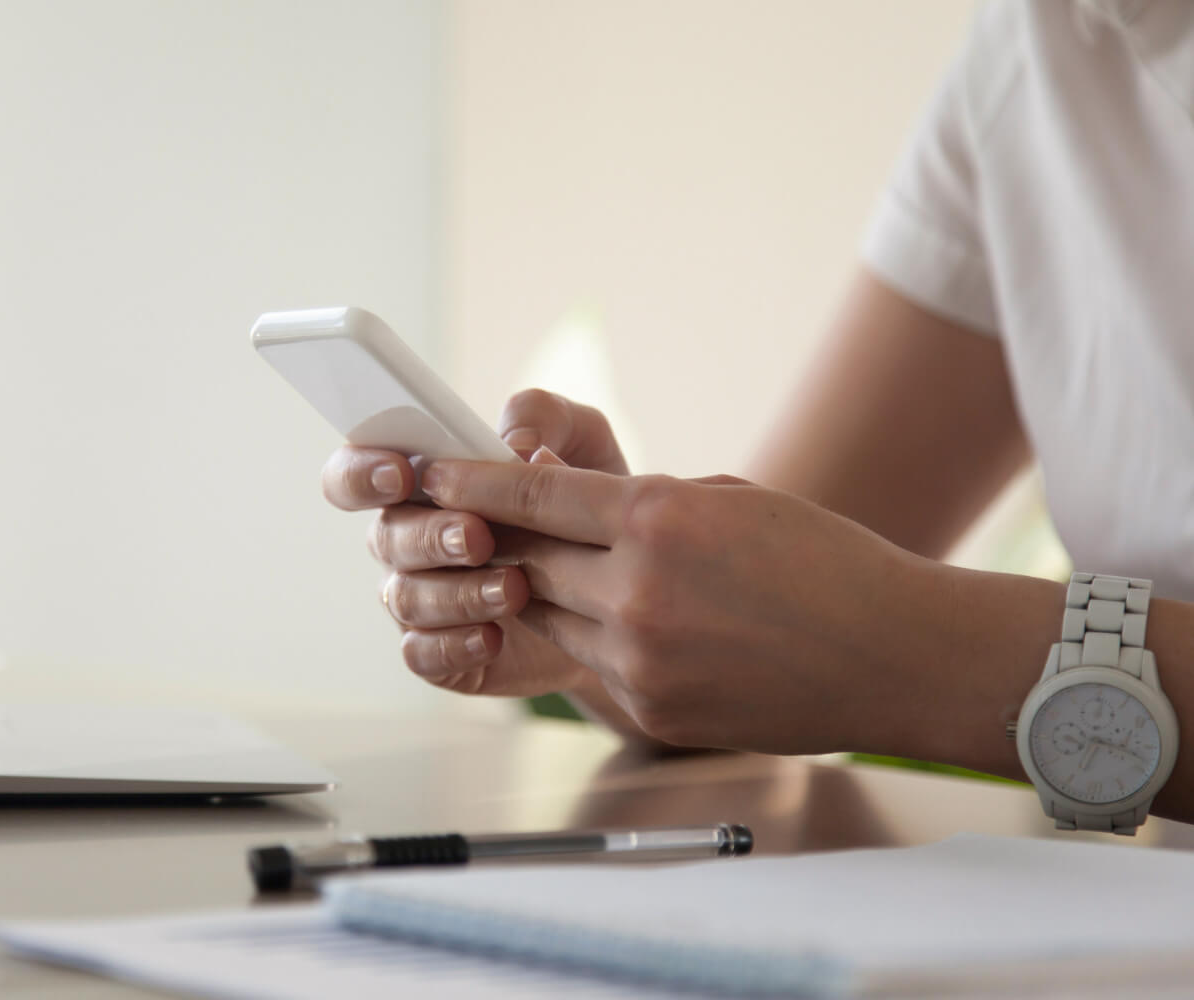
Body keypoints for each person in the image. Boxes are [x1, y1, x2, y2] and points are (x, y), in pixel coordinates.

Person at [322, 0, 1194, 828]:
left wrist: (912, 652)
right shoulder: (1040, 54)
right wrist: (597, 618)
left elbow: (850, 633)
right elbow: (772, 640)